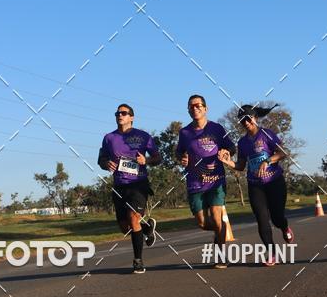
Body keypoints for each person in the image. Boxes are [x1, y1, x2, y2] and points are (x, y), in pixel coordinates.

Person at [219, 104, 293, 266]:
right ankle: (272, 254)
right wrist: (228, 162)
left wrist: (268, 161)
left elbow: (282, 153)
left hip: (275, 182)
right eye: (242, 120)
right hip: (255, 185)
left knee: (277, 217)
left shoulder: (267, 134)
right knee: (262, 219)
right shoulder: (243, 143)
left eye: (248, 118)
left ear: (255, 118)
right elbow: (241, 166)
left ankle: (284, 227)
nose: (245, 122)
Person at [98, 104, 161, 274]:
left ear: (132, 117)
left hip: (138, 183)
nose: (120, 115)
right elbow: (101, 159)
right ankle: (147, 228)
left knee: (133, 219)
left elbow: (158, 158)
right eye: (117, 113)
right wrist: (106, 164)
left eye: (124, 113)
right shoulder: (109, 138)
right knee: (125, 227)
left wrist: (145, 161)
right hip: (119, 185)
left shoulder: (143, 136)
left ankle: (138, 261)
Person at [175, 95, 236, 268]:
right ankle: (220, 229)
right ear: (188, 110)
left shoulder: (217, 128)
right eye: (191, 106)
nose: (195, 108)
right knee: (202, 223)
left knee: (216, 218)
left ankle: (221, 255)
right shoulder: (184, 132)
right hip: (195, 182)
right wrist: (182, 158)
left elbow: (231, 147)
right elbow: (179, 152)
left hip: (216, 180)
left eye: (198, 105)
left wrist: (226, 151)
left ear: (205, 108)